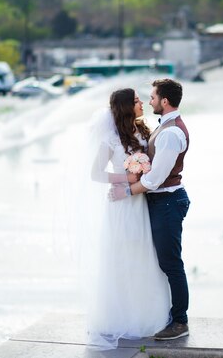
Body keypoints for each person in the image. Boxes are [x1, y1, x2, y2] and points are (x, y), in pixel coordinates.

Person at [86, 88, 170, 349]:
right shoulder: (111, 139)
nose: (142, 103)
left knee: (144, 257)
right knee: (123, 258)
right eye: (136, 101)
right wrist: (127, 178)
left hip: (142, 204)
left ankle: (144, 314)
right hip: (121, 206)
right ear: (125, 107)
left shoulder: (145, 132)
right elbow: (96, 174)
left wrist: (142, 176)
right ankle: (122, 317)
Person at [110, 78, 191, 341]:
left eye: (153, 96)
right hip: (160, 202)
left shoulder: (170, 133)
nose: (149, 100)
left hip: (167, 201)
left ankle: (179, 321)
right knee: (163, 262)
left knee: (171, 263)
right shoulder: (164, 127)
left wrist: (126, 190)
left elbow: (155, 178)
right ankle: (165, 315)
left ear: (164, 101)